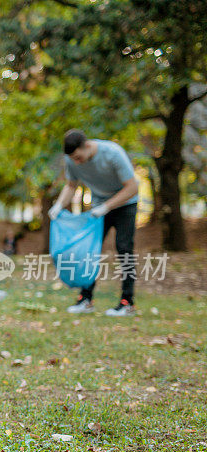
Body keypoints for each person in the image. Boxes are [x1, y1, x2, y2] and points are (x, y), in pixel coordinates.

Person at [48, 129, 139, 316]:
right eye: (73, 159)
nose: (76, 162)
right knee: (88, 250)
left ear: (87, 146)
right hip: (99, 207)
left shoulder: (112, 153)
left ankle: (127, 302)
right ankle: (85, 299)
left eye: (78, 157)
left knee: (124, 249)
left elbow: (132, 187)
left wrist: (107, 206)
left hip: (125, 204)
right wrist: (58, 205)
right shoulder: (71, 159)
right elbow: (71, 185)